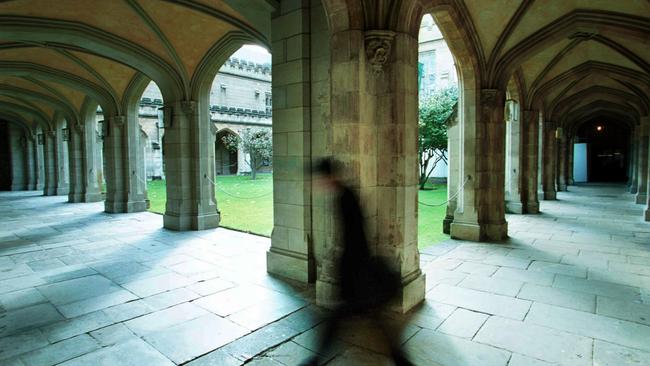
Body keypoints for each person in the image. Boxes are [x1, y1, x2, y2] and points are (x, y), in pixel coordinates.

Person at [301, 158, 414, 366]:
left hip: (357, 274)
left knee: (343, 318)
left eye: (319, 179)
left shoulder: (344, 198)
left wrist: (347, 273)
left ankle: (315, 360)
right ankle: (401, 360)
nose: (316, 184)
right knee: (369, 319)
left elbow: (355, 239)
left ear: (329, 177)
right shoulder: (343, 195)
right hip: (357, 272)